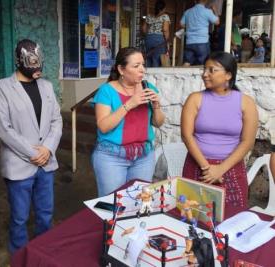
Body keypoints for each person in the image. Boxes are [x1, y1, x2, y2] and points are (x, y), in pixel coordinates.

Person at [0, 39, 62, 253]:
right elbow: (3, 128)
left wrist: (48, 149)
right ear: (19, 62)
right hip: (19, 165)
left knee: (46, 213)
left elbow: (56, 121)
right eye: (32, 65)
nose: (37, 70)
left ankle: (44, 252)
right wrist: (33, 153)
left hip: (46, 163)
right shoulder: (1, 87)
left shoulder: (47, 86)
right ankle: (19, 256)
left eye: (39, 64)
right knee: (20, 217)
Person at [181, 51, 258, 217]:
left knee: (232, 218)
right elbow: (187, 136)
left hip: (231, 168)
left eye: (211, 70)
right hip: (197, 166)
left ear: (228, 75)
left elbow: (247, 142)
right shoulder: (195, 99)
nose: (205, 74)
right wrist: (207, 168)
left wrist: (220, 169)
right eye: (204, 69)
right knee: (193, 217)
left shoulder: (246, 103)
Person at [91, 47, 165, 197]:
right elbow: (103, 126)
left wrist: (157, 106)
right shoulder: (106, 91)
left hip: (144, 157)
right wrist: (130, 104)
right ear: (121, 69)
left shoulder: (148, 88)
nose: (142, 70)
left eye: (143, 65)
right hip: (111, 157)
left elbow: (158, 123)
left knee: (139, 202)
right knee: (113, 205)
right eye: (136, 66)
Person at [180, 0, 219, 66]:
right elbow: (217, 22)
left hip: (189, 42)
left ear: (195, 1)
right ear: (206, 1)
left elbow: (181, 24)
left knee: (187, 63)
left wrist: (191, 25)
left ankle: (182, 76)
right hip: (202, 42)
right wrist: (215, 10)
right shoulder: (207, 11)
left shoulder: (187, 12)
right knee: (202, 64)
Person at [142, 0, 170, 67]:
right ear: (164, 8)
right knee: (156, 59)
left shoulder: (149, 16)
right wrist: (166, 40)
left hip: (148, 39)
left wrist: (149, 35)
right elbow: (165, 29)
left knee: (148, 58)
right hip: (159, 39)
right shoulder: (165, 16)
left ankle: (147, 75)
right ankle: (155, 76)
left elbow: (143, 28)